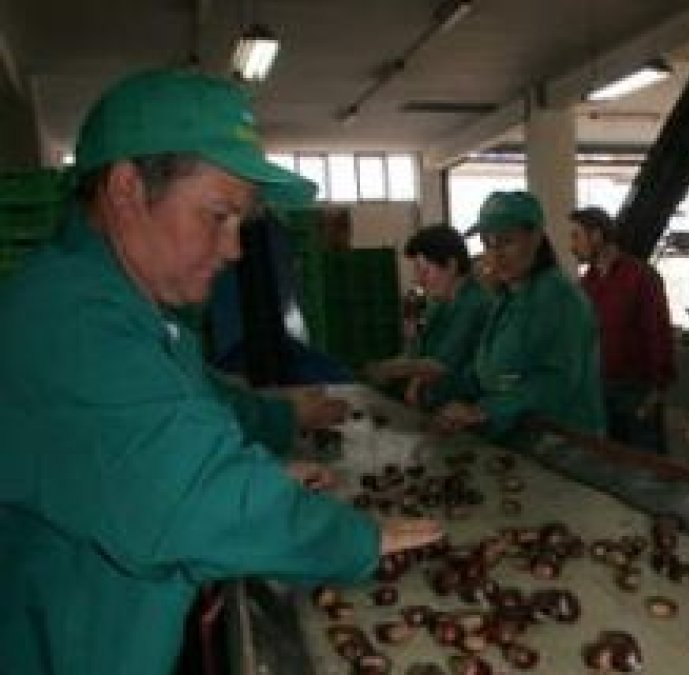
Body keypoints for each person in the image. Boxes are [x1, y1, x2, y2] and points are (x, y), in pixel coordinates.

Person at [0, 69, 443, 675]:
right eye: (217, 215)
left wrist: (265, 451)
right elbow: (188, 500)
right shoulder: (68, 319)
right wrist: (354, 540)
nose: (234, 250)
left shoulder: (131, 310)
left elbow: (179, 419)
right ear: (128, 189)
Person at [433, 190, 605, 444]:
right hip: (522, 439)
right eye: (487, 244)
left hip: (565, 444)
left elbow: (558, 382)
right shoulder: (508, 296)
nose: (494, 256)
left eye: (506, 242)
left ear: (536, 237)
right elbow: (495, 370)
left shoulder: (559, 299)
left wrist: (484, 411)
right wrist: (446, 386)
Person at [569, 206, 675, 452]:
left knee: (646, 469)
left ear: (596, 235)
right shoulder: (585, 285)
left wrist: (658, 389)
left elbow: (658, 332)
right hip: (598, 390)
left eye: (576, 236)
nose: (572, 246)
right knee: (608, 465)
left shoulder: (641, 277)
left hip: (637, 391)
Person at [364, 224, 493, 409]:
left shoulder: (475, 305)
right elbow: (417, 353)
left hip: (468, 410)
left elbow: (440, 365)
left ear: (451, 265)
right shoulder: (440, 305)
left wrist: (389, 370)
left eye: (424, 271)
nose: (418, 280)